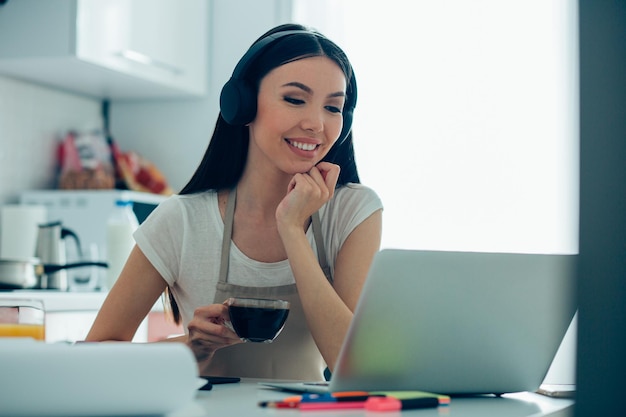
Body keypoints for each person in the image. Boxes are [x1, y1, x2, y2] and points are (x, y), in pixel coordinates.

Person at [86, 23, 383, 381]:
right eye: (294, 99)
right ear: (241, 104)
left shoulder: (352, 211)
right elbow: (92, 355)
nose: (316, 124)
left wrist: (291, 228)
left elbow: (352, 366)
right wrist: (188, 347)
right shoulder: (181, 220)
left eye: (333, 108)